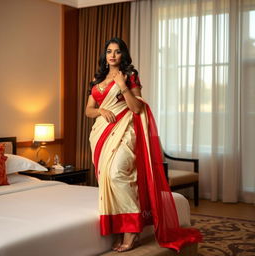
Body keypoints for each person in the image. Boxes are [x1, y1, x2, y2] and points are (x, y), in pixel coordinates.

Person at [86, 37, 202, 253]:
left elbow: (138, 108)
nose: (112, 55)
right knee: (106, 178)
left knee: (118, 174)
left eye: (117, 51)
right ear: (105, 54)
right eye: (109, 51)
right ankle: (120, 228)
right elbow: (88, 110)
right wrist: (101, 110)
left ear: (123, 55)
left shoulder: (129, 76)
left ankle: (133, 230)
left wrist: (122, 86)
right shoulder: (97, 78)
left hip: (125, 130)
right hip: (101, 133)